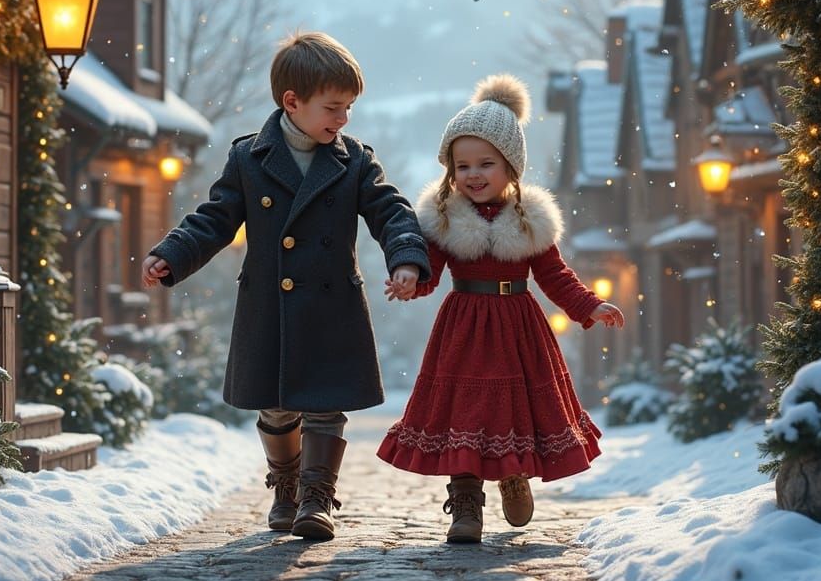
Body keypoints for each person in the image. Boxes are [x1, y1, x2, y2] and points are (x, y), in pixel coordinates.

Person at [142, 31, 431, 541]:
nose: (343, 120)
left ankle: (318, 497)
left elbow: (391, 211)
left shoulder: (355, 161)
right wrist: (173, 253)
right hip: (268, 303)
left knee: (324, 401)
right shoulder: (248, 159)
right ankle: (287, 483)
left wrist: (406, 259)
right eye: (334, 108)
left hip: (331, 301)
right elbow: (214, 218)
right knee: (275, 404)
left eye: (349, 109)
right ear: (291, 102)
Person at [376, 74, 624, 543]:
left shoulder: (530, 221)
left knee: (513, 407)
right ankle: (466, 501)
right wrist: (411, 279)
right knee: (464, 412)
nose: (473, 175)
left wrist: (589, 306)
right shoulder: (446, 218)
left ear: (511, 167)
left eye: (486, 164)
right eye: (462, 165)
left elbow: (555, 276)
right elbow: (429, 266)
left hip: (518, 327)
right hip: (464, 327)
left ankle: (513, 474)